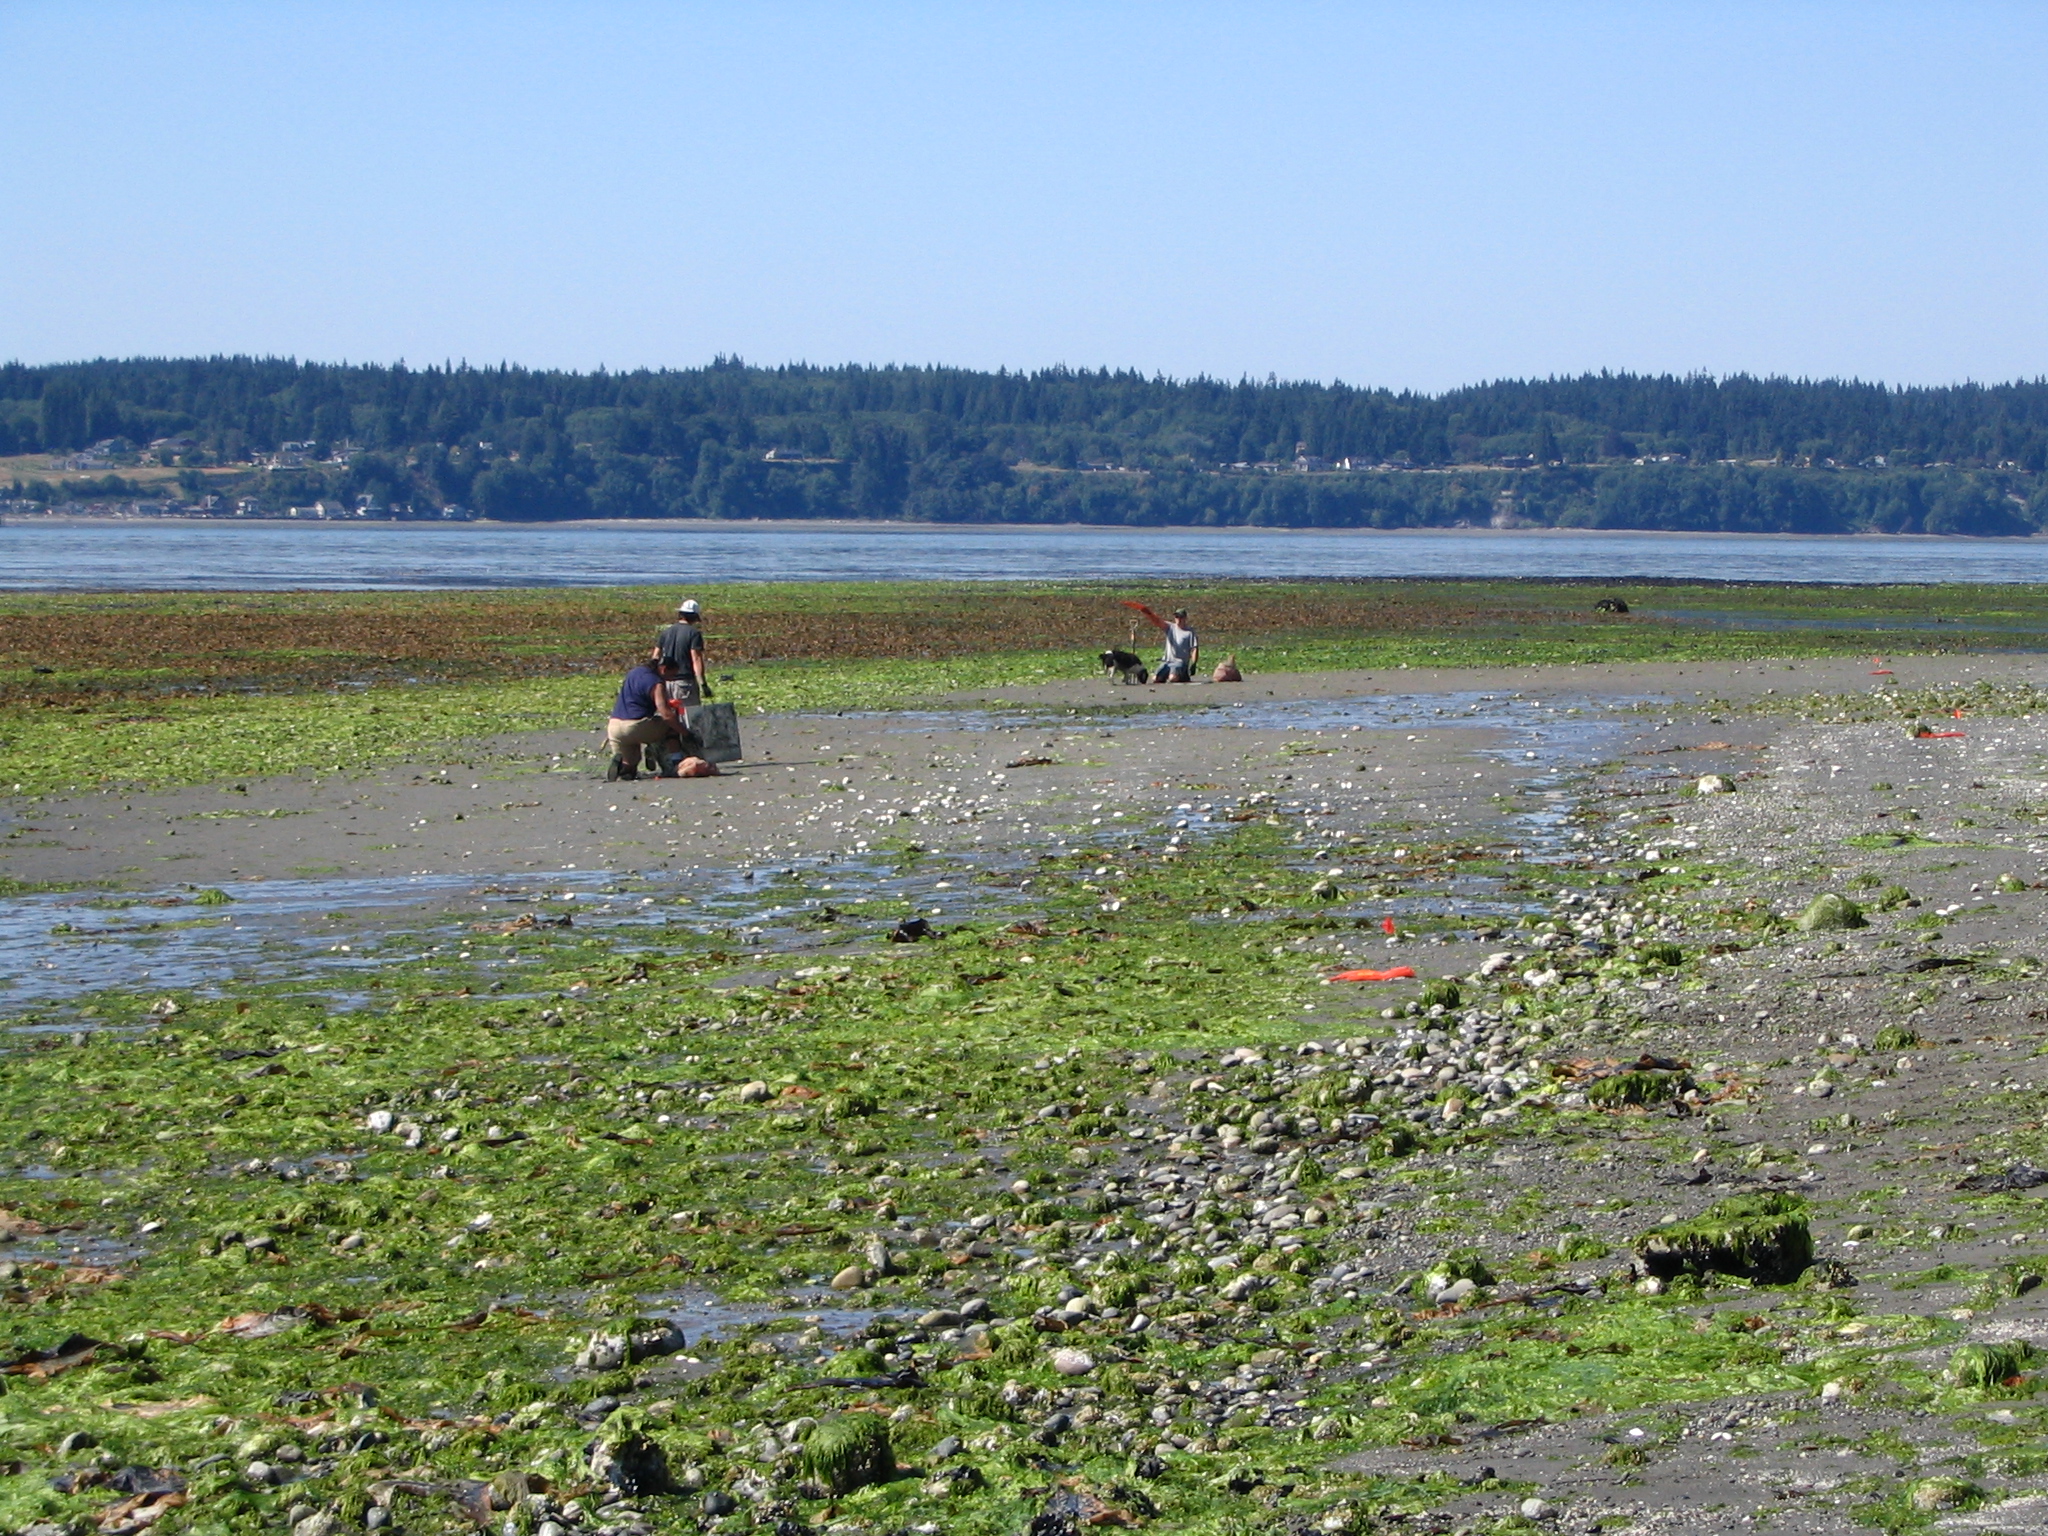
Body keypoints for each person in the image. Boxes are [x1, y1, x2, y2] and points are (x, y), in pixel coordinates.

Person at [605, 654, 686, 782]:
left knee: (630, 767)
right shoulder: (656, 682)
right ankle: (675, 763)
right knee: (671, 726)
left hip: (615, 727)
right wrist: (685, 732)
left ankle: (622, 767)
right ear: (664, 669)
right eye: (672, 675)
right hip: (635, 726)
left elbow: (637, 697)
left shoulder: (634, 672)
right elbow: (666, 714)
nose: (671, 679)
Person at [654, 598, 711, 711]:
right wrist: (703, 684)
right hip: (685, 682)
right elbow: (696, 659)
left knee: (670, 716)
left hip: (666, 682)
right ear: (694, 617)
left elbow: (655, 656)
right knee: (690, 715)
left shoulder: (666, 632)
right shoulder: (694, 633)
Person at [1153, 608, 1199, 684]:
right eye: (1176, 617)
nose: (1178, 619)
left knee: (1172, 679)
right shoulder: (1170, 627)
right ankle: (1168, 674)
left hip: (1180, 662)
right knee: (1155, 679)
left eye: (1181, 617)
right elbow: (1157, 621)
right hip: (1167, 662)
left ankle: (1182, 675)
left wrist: (1194, 663)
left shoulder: (1189, 632)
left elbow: (1194, 649)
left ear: (1185, 618)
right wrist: (1147, 612)